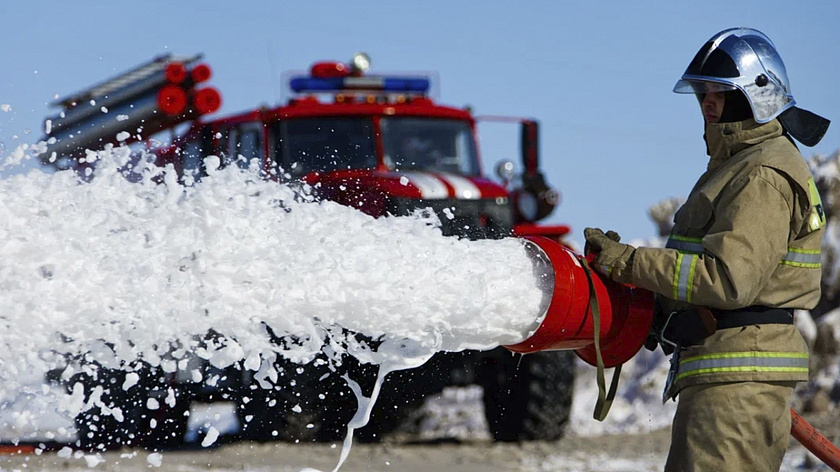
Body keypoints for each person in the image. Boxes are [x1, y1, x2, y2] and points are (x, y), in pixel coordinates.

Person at [584, 28, 831, 471]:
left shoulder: (762, 174)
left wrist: (630, 263)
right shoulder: (738, 166)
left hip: (736, 389)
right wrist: (659, 313)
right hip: (729, 380)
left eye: (721, 92)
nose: (708, 104)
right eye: (702, 94)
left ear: (759, 95)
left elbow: (727, 279)